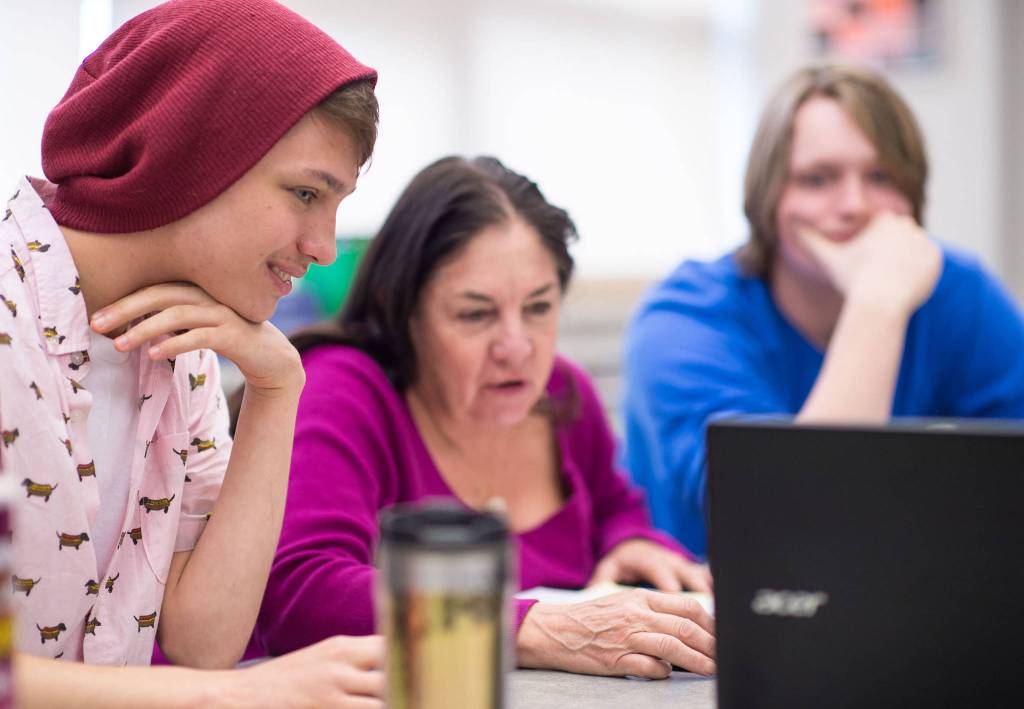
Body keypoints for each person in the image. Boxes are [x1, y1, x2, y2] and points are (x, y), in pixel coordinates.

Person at [0, 0, 388, 705]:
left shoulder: (186, 348)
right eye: (305, 193)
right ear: (190, 156)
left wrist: (278, 387)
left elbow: (204, 640)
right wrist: (232, 697)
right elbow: (214, 681)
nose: (324, 247)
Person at [250, 156, 717, 679]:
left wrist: (631, 543)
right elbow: (300, 594)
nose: (517, 349)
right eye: (476, 314)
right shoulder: (340, 389)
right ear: (400, 311)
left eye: (539, 308)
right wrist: (530, 627)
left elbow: (615, 507)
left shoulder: (563, 392)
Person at [622, 63, 1024, 558]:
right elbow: (793, 529)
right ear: (768, 197)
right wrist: (877, 303)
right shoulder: (684, 320)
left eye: (880, 176)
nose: (854, 205)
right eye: (817, 179)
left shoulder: (962, 293)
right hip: (707, 617)